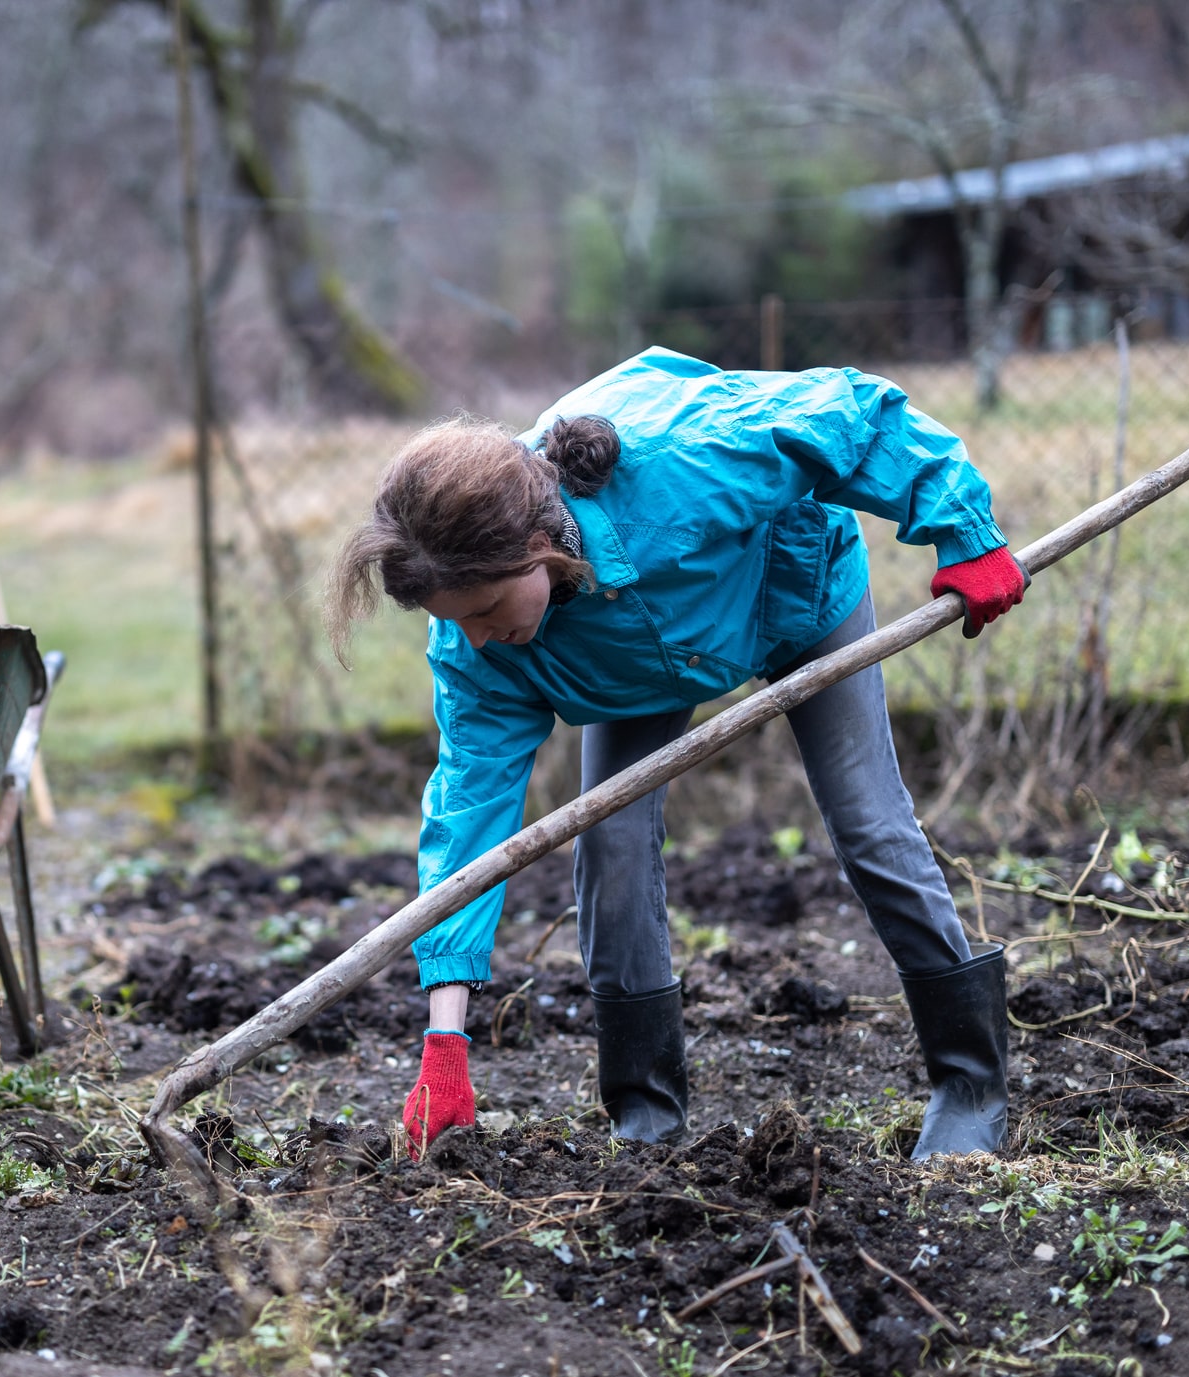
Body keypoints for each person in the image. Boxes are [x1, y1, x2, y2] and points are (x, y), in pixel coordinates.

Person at [326, 347, 1028, 1161]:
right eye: (459, 621)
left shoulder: (683, 457)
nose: (479, 634)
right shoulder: (477, 646)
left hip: (794, 597)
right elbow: (467, 825)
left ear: (536, 543)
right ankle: (644, 1114)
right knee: (611, 851)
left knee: (867, 821)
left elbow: (856, 414)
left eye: (486, 606)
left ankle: (969, 1085)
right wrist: (444, 1043)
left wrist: (962, 530)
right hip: (628, 674)